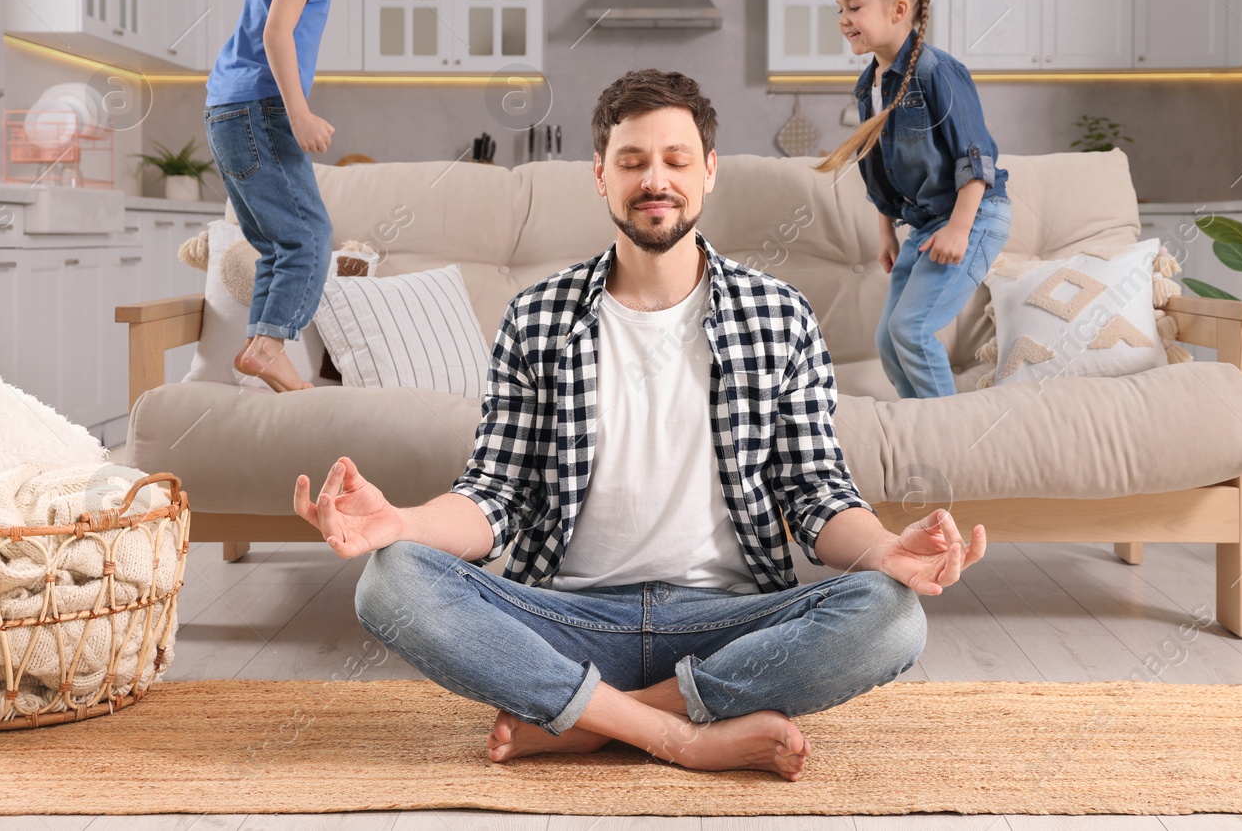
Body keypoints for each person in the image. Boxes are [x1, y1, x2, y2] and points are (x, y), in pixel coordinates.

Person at [292, 70, 989, 781]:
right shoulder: (537, 317)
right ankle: (679, 732)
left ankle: (592, 720)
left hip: (729, 621)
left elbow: (816, 494)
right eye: (632, 161)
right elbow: (494, 496)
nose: (655, 178)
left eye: (676, 159)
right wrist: (398, 524)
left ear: (709, 170)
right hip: (568, 618)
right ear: (600, 174)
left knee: (894, 614)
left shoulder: (780, 314)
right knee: (388, 581)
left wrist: (884, 550)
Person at [811, 0, 1013, 399]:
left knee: (912, 329)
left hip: (975, 216)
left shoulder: (937, 72)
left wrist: (960, 229)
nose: (843, 18)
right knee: (889, 340)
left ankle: (949, 438)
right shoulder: (869, 85)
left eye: (854, 7)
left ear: (899, 10)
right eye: (840, 8)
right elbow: (878, 170)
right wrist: (886, 234)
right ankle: (918, 425)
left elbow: (975, 159)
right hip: (924, 226)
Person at [201, 0, 352, 392]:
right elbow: (276, 32)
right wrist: (300, 114)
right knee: (309, 237)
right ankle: (268, 347)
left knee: (277, 243)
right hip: (258, 111)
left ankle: (261, 347)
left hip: (226, 111)